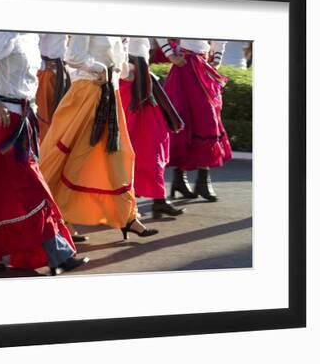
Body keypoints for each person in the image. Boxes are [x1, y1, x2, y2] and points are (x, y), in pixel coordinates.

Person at [0, 32, 89, 276]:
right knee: (33, 188)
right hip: (8, 121)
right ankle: (58, 255)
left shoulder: (31, 37)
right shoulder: (8, 34)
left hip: (24, 118)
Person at [40, 35, 158, 240]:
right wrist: (100, 68)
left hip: (110, 95)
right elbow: (73, 56)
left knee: (120, 157)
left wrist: (124, 64)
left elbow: (121, 68)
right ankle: (59, 219)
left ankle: (128, 218)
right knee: (74, 159)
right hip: (87, 94)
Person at [156, 38, 232, 201]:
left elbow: (222, 35)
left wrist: (217, 59)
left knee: (207, 123)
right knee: (184, 122)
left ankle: (200, 181)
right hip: (184, 66)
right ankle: (181, 180)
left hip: (203, 66)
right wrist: (170, 55)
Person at [119, 37, 185, 218]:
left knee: (156, 142)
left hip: (143, 80)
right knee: (125, 146)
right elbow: (114, 46)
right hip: (128, 82)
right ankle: (124, 205)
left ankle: (159, 200)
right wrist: (126, 71)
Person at [35, 33, 70, 140]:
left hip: (63, 72)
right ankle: (44, 154)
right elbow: (31, 38)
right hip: (47, 73)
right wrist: (42, 64)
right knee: (45, 120)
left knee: (62, 121)